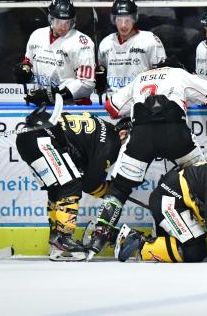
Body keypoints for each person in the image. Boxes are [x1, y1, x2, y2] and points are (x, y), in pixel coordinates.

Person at [86, 58, 207, 259]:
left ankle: (99, 235)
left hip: (141, 136)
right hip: (175, 133)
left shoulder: (140, 77)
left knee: (119, 188)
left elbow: (112, 108)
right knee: (202, 181)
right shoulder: (179, 73)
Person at [16, 109, 126, 261]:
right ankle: (63, 239)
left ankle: (56, 239)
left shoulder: (103, 128)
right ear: (123, 133)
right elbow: (90, 184)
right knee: (70, 186)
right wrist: (111, 192)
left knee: (57, 189)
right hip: (42, 137)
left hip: (28, 138)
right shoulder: (112, 143)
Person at [13, 0, 96, 106]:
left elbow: (87, 83)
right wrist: (24, 72)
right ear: (51, 19)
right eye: (59, 22)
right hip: (43, 104)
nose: (63, 27)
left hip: (73, 107)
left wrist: (56, 95)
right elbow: (28, 64)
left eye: (67, 22)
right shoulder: (37, 35)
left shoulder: (82, 43)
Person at [97, 0, 166, 99]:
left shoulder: (150, 40)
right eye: (119, 20)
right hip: (113, 101)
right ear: (113, 20)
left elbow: (162, 73)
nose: (123, 25)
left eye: (127, 20)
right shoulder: (106, 43)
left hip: (142, 99)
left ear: (134, 19)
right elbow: (102, 71)